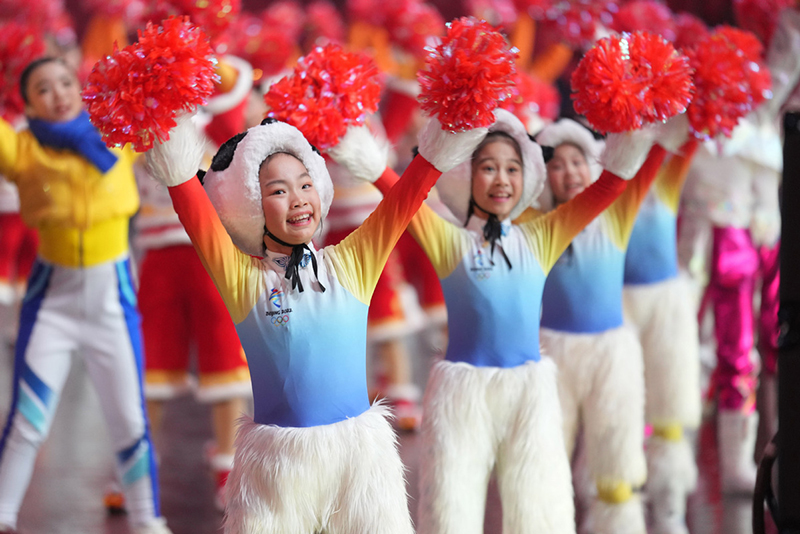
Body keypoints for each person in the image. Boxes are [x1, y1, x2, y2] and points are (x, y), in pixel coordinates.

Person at [143, 111, 485, 533]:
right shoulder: (243, 279)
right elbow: (192, 209)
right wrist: (160, 122)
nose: (298, 198)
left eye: (306, 184)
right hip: (275, 475)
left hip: (360, 469)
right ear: (251, 203)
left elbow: (407, 197)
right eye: (278, 190)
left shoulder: (353, 261)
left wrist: (449, 134)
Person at [327, 108, 655, 534]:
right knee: (452, 512)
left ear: (526, 178)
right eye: (488, 168)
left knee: (540, 512)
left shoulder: (543, 235)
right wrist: (372, 163)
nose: (501, 179)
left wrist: (636, 130)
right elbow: (403, 198)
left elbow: (610, 185)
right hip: (462, 395)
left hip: (529, 393)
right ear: (467, 175)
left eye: (512, 168)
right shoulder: (449, 241)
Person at [0, 57, 169, 534]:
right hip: (50, 299)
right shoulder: (22, 149)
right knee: (28, 420)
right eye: (42, 88)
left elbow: (169, 101)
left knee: (129, 422)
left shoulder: (117, 133)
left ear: (80, 86)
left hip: (112, 302)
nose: (57, 94)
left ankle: (146, 519)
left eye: (64, 83)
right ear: (27, 102)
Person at [536, 118, 667, 534]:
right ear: (544, 175)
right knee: (545, 456)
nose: (570, 171)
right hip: (549, 356)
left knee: (615, 457)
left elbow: (648, 159)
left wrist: (652, 115)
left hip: (612, 355)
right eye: (558, 164)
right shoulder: (535, 226)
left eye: (578, 160)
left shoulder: (616, 216)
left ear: (593, 167)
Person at [622, 117, 702, 534]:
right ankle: (624, 506)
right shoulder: (607, 181)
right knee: (624, 409)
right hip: (618, 310)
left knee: (670, 408)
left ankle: (671, 507)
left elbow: (691, 135)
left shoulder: (666, 177)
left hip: (666, 304)